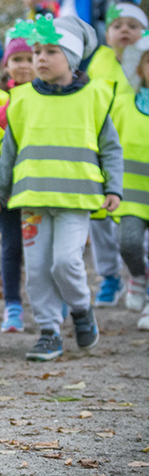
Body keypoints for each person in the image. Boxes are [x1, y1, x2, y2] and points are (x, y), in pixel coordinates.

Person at [0, 15, 123, 361]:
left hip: (75, 199)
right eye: (37, 51)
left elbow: (111, 148)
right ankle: (49, 331)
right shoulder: (20, 100)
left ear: (73, 56)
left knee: (65, 263)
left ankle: (81, 310)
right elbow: (9, 151)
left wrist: (114, 188)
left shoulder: (95, 97)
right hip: (32, 200)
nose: (40, 58)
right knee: (36, 270)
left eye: (51, 51)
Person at [86, 3, 147, 306]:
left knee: (134, 232)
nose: (125, 30)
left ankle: (139, 278)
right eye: (117, 25)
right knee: (101, 221)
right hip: (102, 151)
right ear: (107, 34)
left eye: (133, 25)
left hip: (136, 164)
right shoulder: (98, 62)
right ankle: (110, 276)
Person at [0, 24, 36, 333]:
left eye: (30, 58)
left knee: (43, 251)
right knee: (12, 247)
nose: (24, 65)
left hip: (42, 187)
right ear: (7, 64)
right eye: (18, 59)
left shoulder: (50, 97)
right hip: (8, 188)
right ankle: (12, 305)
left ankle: (51, 303)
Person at [113, 34, 149, 325]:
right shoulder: (124, 104)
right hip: (132, 193)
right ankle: (138, 274)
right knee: (129, 244)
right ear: (139, 67)